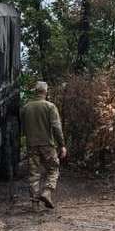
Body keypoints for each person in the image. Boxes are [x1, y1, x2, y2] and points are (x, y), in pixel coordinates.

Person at [20, 81, 67, 210]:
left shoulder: (25, 108)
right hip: (47, 145)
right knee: (53, 169)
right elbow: (56, 127)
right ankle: (47, 192)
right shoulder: (50, 107)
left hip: (31, 145)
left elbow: (23, 128)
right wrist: (62, 145)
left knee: (34, 173)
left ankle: (35, 204)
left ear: (35, 91)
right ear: (45, 91)